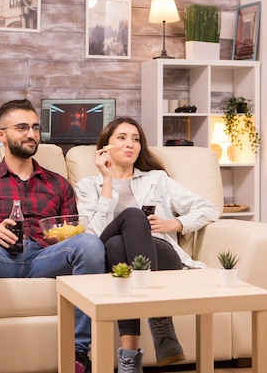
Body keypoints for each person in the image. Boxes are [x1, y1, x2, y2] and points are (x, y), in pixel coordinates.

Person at [0, 99, 105, 373]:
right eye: (22, 127)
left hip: (45, 257)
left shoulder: (58, 184)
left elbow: (72, 233)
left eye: (35, 128)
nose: (31, 134)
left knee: (89, 243)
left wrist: (60, 236)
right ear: (1, 135)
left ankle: (78, 355)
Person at [75, 117, 218, 373]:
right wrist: (107, 180)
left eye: (136, 139)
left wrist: (173, 224)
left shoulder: (157, 179)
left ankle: (128, 360)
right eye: (121, 138)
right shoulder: (88, 186)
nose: (130, 144)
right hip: (111, 256)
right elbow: (92, 236)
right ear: (105, 147)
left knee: (124, 241)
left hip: (163, 257)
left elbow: (207, 208)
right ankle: (161, 324)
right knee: (125, 227)